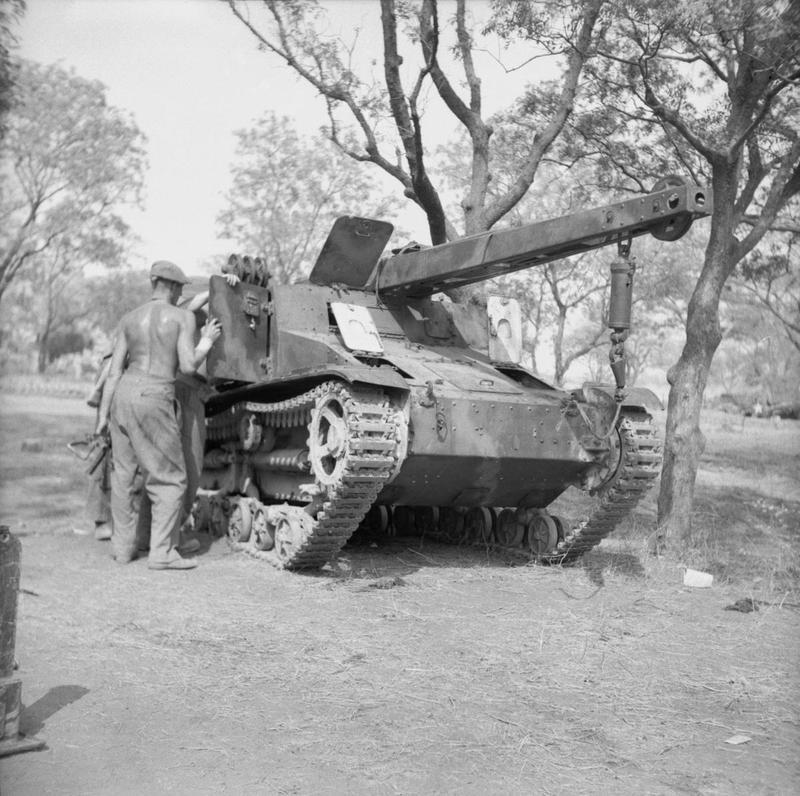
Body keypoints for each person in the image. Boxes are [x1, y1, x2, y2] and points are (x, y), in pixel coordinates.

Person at [95, 260, 222, 570]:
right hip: (155, 394)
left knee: (123, 476)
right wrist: (207, 340)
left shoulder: (129, 318)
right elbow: (189, 367)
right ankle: (162, 552)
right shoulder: (181, 317)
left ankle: (123, 549)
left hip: (122, 395)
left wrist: (102, 418)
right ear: (177, 287)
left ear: (154, 283)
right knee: (170, 478)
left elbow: (113, 373)